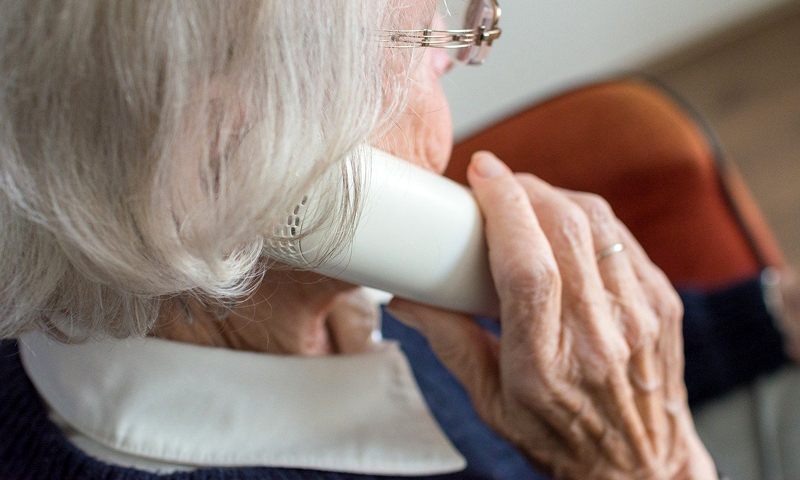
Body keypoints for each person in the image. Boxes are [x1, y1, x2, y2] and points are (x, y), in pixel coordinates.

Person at [0, 1, 725, 479]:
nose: (457, 52)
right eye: (426, 33)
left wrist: (769, 311)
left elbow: (566, 359)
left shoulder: (314, 275)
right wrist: (648, 460)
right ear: (229, 160)